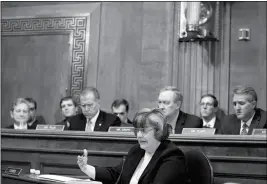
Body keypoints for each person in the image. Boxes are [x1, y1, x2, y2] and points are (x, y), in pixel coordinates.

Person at [77, 108, 187, 184]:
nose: (139, 135)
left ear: (159, 131)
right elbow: (116, 174)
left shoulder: (172, 156)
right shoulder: (137, 151)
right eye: (137, 130)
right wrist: (86, 168)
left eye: (144, 131)